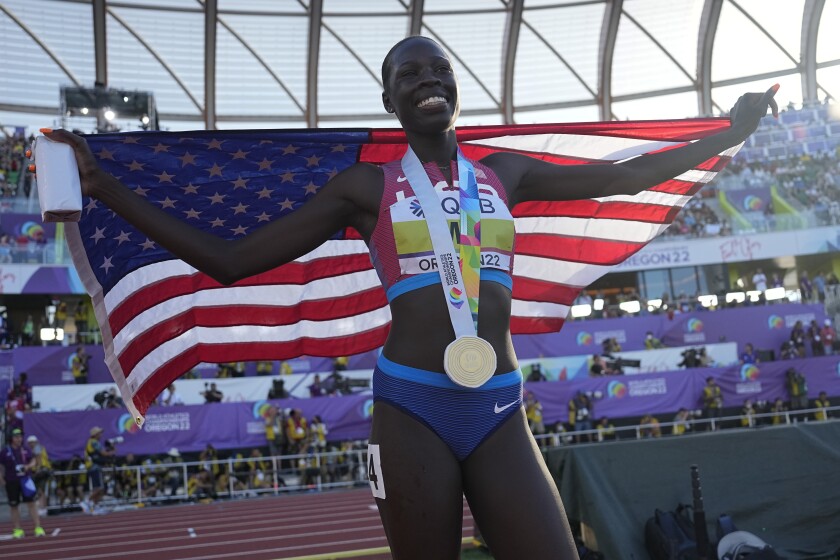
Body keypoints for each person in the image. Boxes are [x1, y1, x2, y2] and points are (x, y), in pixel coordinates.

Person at [39, 34, 778, 558]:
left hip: (498, 404)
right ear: (389, 97)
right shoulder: (365, 187)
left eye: (439, 69)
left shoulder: (506, 173)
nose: (429, 80)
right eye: (410, 73)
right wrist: (106, 188)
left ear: (455, 88)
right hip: (411, 408)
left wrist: (728, 133)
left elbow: (625, 177)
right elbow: (229, 261)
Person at [0, 429, 46, 538]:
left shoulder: (25, 449)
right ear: (11, 438)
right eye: (16, 437)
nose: (19, 439)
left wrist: (28, 466)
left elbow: (34, 460)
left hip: (25, 480)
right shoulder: (5, 451)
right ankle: (17, 529)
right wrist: (1, 479)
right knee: (14, 505)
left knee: (32, 504)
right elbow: (1, 466)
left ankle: (38, 527)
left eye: (20, 437)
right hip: (11, 481)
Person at [83, 426, 115, 514]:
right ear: (95, 434)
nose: (101, 435)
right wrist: (112, 451)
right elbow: (103, 453)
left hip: (93, 467)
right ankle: (86, 501)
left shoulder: (91, 442)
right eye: (99, 433)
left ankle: (94, 506)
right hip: (94, 467)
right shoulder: (94, 442)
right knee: (100, 488)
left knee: (97, 488)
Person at [26, 435, 52, 516]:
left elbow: (39, 458)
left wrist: (38, 468)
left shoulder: (37, 447)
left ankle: (42, 508)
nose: (31, 444)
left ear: (36, 442)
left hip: (42, 471)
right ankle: (42, 508)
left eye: (32, 442)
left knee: (40, 490)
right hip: (42, 470)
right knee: (40, 490)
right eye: (30, 443)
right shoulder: (39, 448)